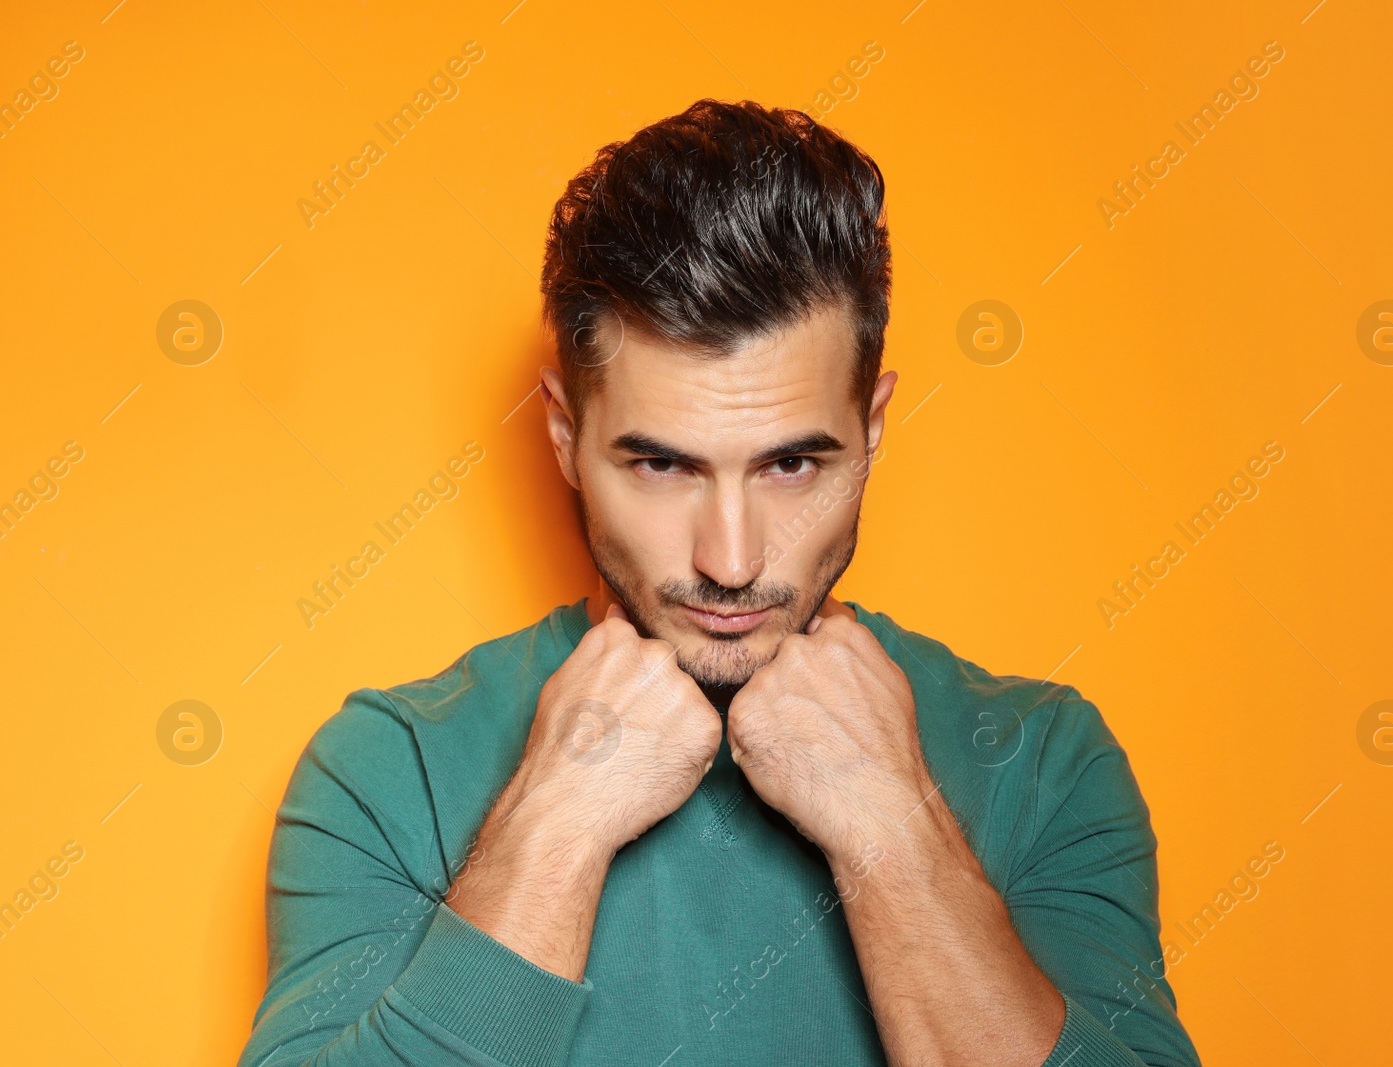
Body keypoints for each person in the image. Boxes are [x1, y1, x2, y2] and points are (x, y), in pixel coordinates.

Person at [238, 99, 1201, 1067]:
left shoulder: (1039, 763)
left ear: (870, 429)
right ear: (566, 436)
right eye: (663, 466)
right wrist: (554, 825)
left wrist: (895, 831)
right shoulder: (388, 770)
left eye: (791, 465)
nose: (731, 561)